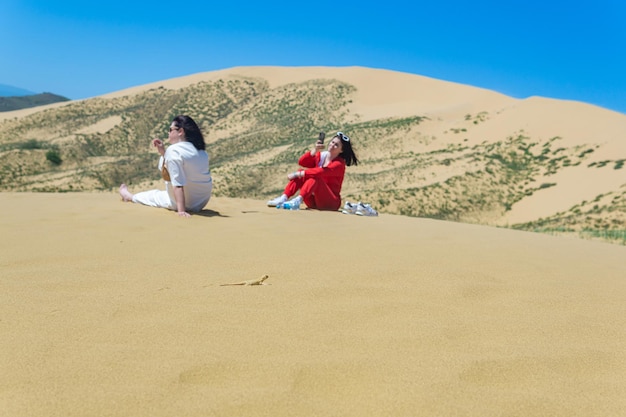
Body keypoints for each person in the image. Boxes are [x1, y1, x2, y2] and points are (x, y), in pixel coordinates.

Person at [119, 115, 213, 217]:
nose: (168, 133)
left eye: (170, 129)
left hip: (184, 203)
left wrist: (181, 211)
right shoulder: (201, 151)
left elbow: (178, 183)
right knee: (160, 194)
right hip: (201, 203)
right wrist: (164, 153)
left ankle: (130, 197)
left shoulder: (174, 150)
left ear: (180, 131)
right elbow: (186, 171)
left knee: (153, 196)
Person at [267, 132, 359, 211]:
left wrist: (298, 174)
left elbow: (320, 172)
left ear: (341, 150)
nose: (332, 145)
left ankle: (297, 201)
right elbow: (302, 162)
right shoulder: (321, 156)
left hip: (330, 203)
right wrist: (315, 150)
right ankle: (284, 198)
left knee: (314, 177)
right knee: (303, 173)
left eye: (336, 145)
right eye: (332, 142)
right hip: (313, 201)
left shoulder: (339, 164)